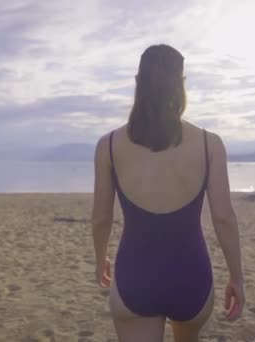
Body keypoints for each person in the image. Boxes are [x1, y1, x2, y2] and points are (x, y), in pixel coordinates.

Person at [91, 44, 245, 342]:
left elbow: (101, 218)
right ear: (181, 85)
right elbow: (224, 217)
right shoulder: (209, 144)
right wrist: (236, 277)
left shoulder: (109, 146)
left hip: (135, 277)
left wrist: (101, 260)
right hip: (191, 277)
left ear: (138, 84)